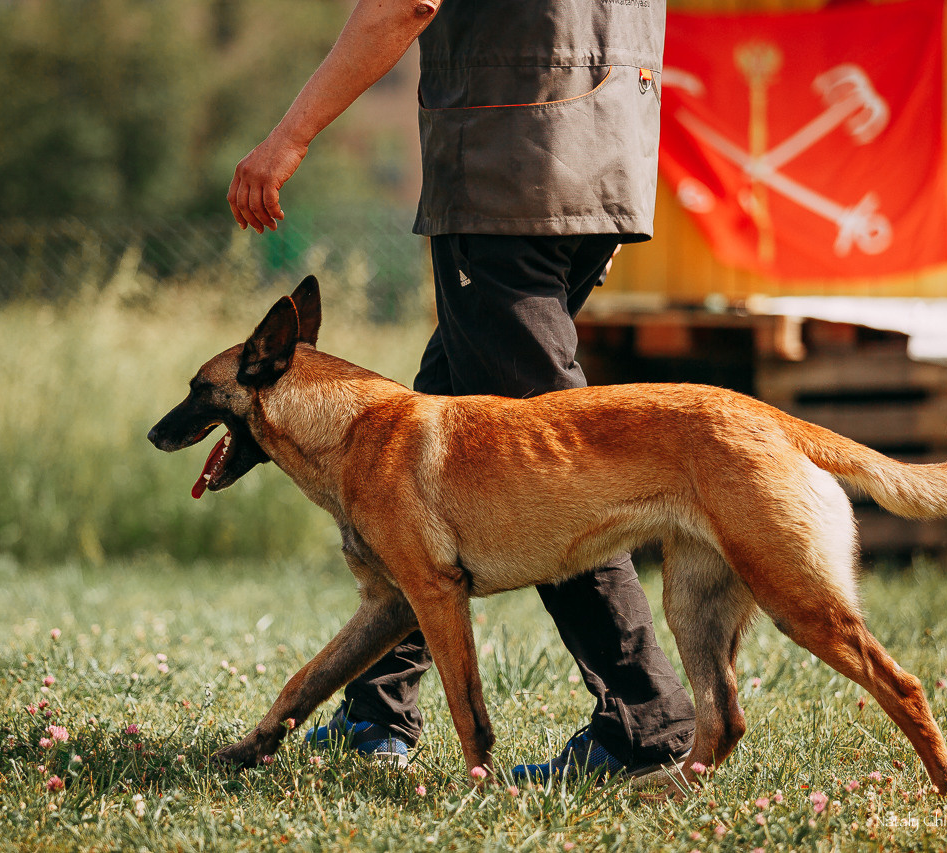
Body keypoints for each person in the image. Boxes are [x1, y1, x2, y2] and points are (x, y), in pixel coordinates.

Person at [227, 0, 695, 783]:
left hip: (508, 175)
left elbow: (406, 3)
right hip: (603, 160)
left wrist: (288, 137)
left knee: (553, 476)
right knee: (411, 463)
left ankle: (646, 727)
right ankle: (376, 714)